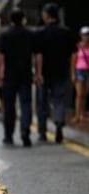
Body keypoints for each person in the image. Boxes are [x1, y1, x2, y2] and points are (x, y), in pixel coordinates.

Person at [35, 2, 77, 143]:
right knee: (59, 100)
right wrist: (72, 72)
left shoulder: (40, 33)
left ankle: (42, 133)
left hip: (45, 73)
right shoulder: (66, 32)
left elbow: (39, 55)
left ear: (46, 15)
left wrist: (39, 73)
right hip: (61, 72)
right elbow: (73, 54)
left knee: (42, 102)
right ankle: (59, 123)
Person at [0, 8, 37, 147]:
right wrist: (38, 72)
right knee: (26, 105)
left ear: (11, 20)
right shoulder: (30, 34)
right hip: (25, 74)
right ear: (23, 19)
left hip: (10, 76)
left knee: (9, 106)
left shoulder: (5, 35)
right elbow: (37, 56)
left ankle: (8, 135)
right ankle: (25, 132)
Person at [71, 26, 89, 124]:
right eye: (84, 34)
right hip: (79, 70)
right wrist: (73, 74)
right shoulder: (78, 47)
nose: (86, 36)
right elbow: (73, 61)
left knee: (85, 94)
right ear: (81, 35)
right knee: (79, 94)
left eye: (87, 34)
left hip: (87, 71)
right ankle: (77, 115)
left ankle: (83, 114)